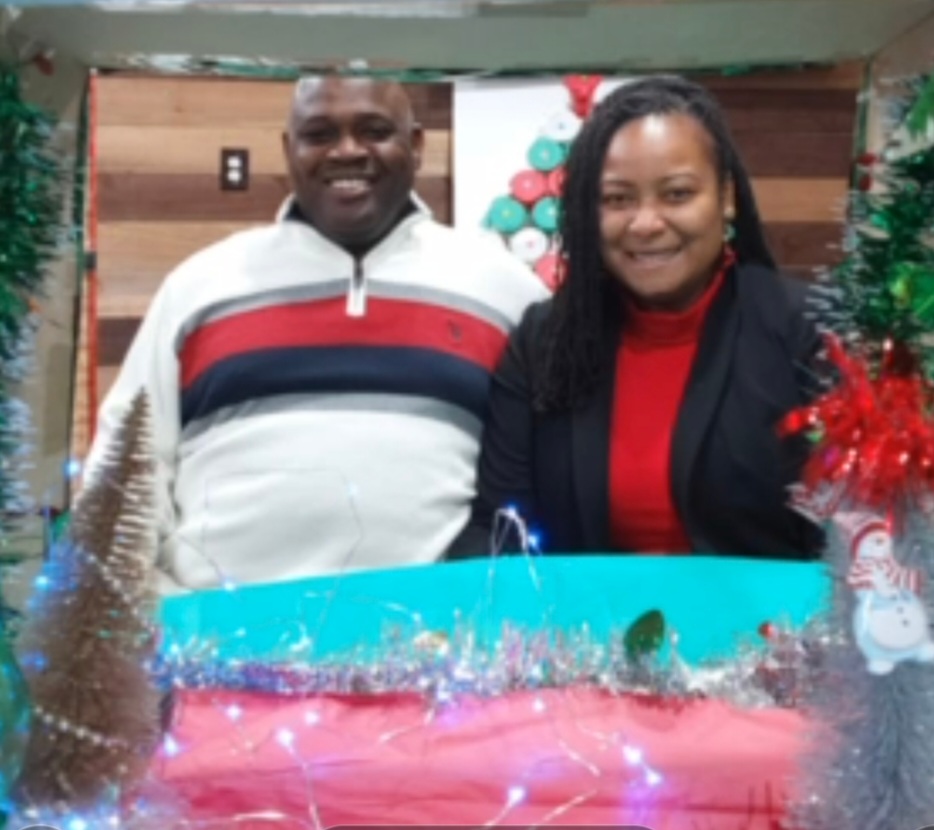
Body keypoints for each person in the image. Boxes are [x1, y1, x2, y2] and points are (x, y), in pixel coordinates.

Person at [85, 76, 547, 591]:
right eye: (319, 134)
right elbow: (128, 463)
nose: (347, 151)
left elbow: (554, 468)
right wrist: (152, 606)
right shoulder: (199, 287)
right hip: (212, 627)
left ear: (416, 145)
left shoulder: (503, 290)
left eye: (374, 131)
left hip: (435, 630)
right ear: (289, 149)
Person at [450, 75, 822, 561]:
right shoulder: (543, 343)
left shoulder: (810, 334)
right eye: (617, 199)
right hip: (581, 612)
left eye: (677, 194)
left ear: (726, 196)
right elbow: (500, 527)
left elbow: (855, 536)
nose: (645, 223)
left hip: (779, 612)